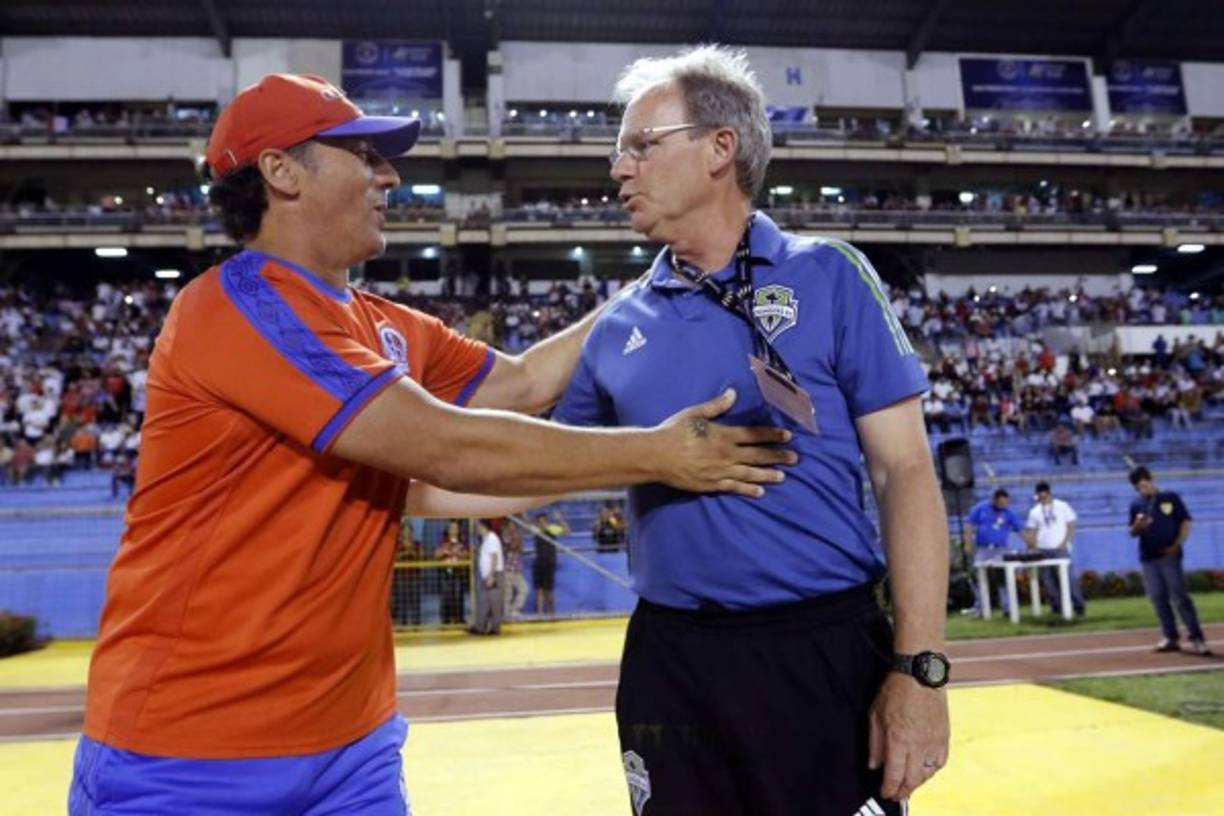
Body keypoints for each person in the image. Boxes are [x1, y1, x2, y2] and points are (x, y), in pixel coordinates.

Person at [70, 73, 794, 815]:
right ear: (281, 171)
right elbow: (443, 446)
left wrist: (653, 286)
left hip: (352, 745)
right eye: (361, 153)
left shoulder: (378, 321)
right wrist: (656, 452)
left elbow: (519, 383)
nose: (388, 174)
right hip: (187, 752)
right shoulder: (236, 306)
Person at [552, 47, 950, 815]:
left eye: (641, 145)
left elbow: (905, 471)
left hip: (823, 652)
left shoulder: (831, 275)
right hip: (672, 660)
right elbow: (548, 465)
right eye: (619, 152)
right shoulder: (615, 323)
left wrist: (920, 670)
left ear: (719, 148)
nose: (618, 170)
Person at [1127, 467, 1211, 655]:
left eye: (1144, 485)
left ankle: (1197, 637)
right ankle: (1170, 636)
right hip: (1148, 557)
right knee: (1158, 598)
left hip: (1169, 555)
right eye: (1138, 488)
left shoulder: (1170, 498)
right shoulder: (1136, 504)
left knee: (1180, 597)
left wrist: (1178, 543)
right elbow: (1132, 532)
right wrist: (1138, 526)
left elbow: (1185, 521)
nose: (1143, 490)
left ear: (1151, 480)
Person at [1023, 481, 1086, 616]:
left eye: (1044, 495)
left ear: (1049, 493)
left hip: (1060, 548)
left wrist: (1065, 542)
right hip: (1042, 550)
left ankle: (1078, 605)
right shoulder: (1034, 511)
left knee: (1068, 579)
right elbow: (1032, 531)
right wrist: (1032, 548)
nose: (1042, 498)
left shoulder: (1062, 506)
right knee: (1048, 580)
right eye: (1040, 496)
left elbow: (1071, 524)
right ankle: (1056, 606)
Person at [964, 488, 1025, 616]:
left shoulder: (1008, 513)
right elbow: (969, 524)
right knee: (977, 577)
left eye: (1005, 503)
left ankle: (1007, 607)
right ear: (994, 500)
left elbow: (1020, 530)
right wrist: (968, 543)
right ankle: (981, 607)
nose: (1003, 506)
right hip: (983, 549)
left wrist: (1031, 543)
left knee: (1003, 577)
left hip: (1001, 549)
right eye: (1001, 503)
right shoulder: (981, 508)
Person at [531, 510, 569, 616]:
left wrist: (560, 519)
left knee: (548, 591)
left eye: (543, 521)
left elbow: (567, 531)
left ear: (547, 521)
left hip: (549, 562)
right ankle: (540, 614)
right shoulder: (536, 530)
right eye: (539, 522)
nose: (541, 524)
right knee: (539, 590)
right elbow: (525, 523)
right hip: (539, 562)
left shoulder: (552, 529)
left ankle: (552, 612)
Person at [471, 519, 505, 635]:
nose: (476, 529)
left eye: (477, 526)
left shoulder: (492, 538)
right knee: (484, 602)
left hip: (493, 575)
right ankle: (480, 627)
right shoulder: (486, 539)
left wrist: (492, 576)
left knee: (495, 603)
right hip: (486, 575)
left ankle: (495, 628)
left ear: (483, 526)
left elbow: (495, 558)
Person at [502, 522, 530, 619]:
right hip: (508, 570)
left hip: (517, 570)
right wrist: (515, 540)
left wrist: (518, 541)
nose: (512, 528)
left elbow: (520, 549)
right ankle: (506, 613)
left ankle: (513, 610)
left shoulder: (517, 536)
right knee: (507, 594)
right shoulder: (506, 536)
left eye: (513, 526)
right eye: (510, 526)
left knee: (524, 589)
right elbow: (510, 546)